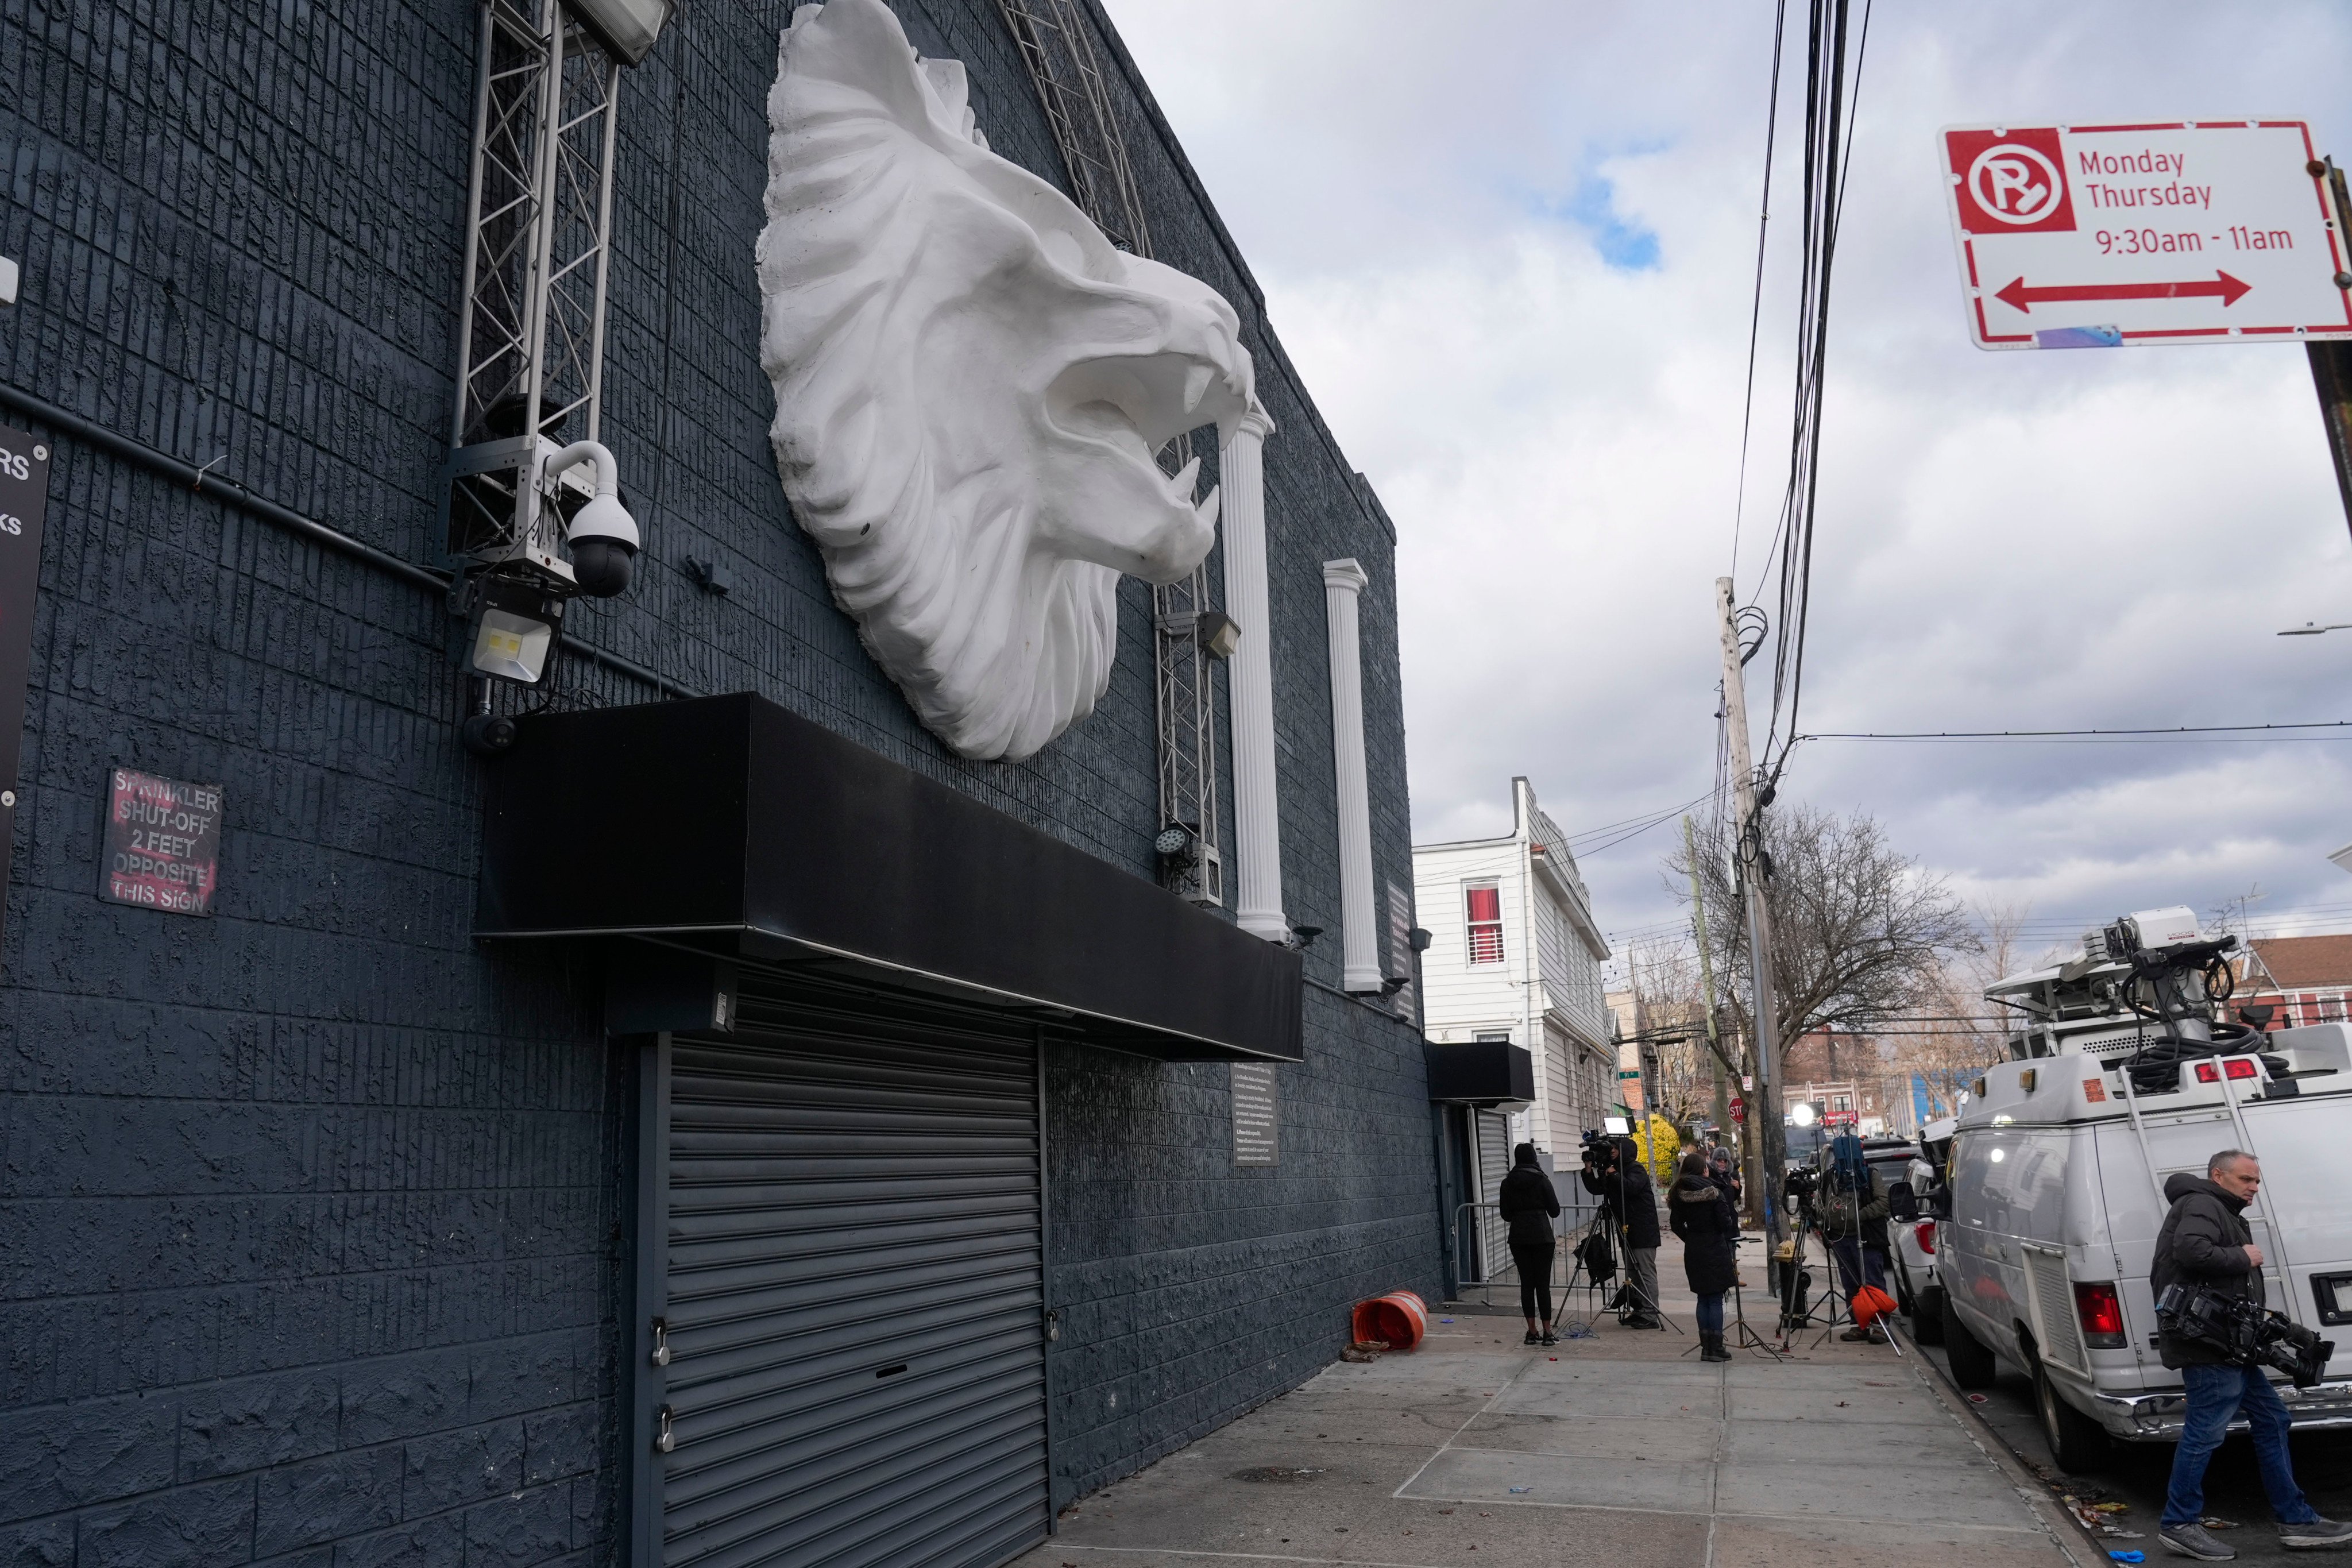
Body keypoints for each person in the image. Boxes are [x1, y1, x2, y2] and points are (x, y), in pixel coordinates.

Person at [2152, 1151, 2351, 1561]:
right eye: (2245, 1179)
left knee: (2272, 1418)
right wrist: (2244, 1256)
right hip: (2208, 1349)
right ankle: (2178, 1524)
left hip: (2229, 1346)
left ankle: (2296, 1521)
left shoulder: (2220, 1209)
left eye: (2256, 1182)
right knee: (2204, 1434)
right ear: (2217, 1176)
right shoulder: (2201, 1203)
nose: (2253, 1188)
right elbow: (2191, 1251)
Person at [1581, 1134, 1662, 1328]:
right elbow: (1597, 1189)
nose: (1612, 1152)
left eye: (1616, 1148)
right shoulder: (1614, 1170)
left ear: (1625, 1150)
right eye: (1611, 1149)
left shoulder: (1636, 1170)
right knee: (1633, 1273)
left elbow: (1631, 1188)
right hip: (1626, 1230)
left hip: (1642, 1231)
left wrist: (1613, 1174)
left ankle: (1651, 1315)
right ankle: (1640, 1310)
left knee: (1645, 1273)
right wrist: (1588, 1169)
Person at [1815, 1139, 1889, 1341]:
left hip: (1865, 1237)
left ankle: (1880, 1326)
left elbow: (1883, 1203)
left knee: (1873, 1283)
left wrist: (1859, 1215)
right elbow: (1821, 1201)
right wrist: (1824, 1219)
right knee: (1851, 1285)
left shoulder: (1870, 1175)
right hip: (1841, 1238)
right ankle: (1858, 1324)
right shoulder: (1831, 1177)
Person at [1669, 1150, 1738, 1362]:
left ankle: (1705, 1347)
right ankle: (1716, 1347)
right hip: (1715, 1247)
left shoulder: (1678, 1193)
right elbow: (1725, 1223)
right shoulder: (1714, 1192)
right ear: (1704, 1169)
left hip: (1694, 1249)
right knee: (1716, 1299)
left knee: (1702, 1298)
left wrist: (1691, 1238)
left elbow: (1675, 1224)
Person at [1497, 1142, 1562, 1346]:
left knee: (1527, 1284)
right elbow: (1555, 1211)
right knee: (1543, 1285)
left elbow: (1505, 1215)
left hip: (1519, 1237)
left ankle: (1531, 1331)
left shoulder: (1507, 1183)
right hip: (1542, 1235)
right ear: (1534, 1157)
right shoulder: (1542, 1180)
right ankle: (1548, 1332)